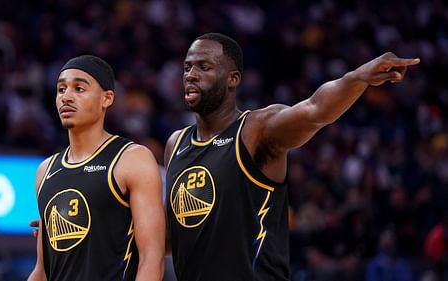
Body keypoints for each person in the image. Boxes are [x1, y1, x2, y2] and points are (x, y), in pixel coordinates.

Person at [164, 33, 420, 280]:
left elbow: (314, 110)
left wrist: (357, 78)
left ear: (233, 79)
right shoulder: (176, 144)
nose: (191, 75)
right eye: (187, 68)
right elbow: (170, 237)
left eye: (203, 67)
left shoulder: (257, 129)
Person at [28, 55, 165, 281]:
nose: (67, 97)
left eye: (79, 88)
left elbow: (152, 257)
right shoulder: (45, 170)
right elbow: (42, 270)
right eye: (61, 89)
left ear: (107, 98)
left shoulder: (132, 159)